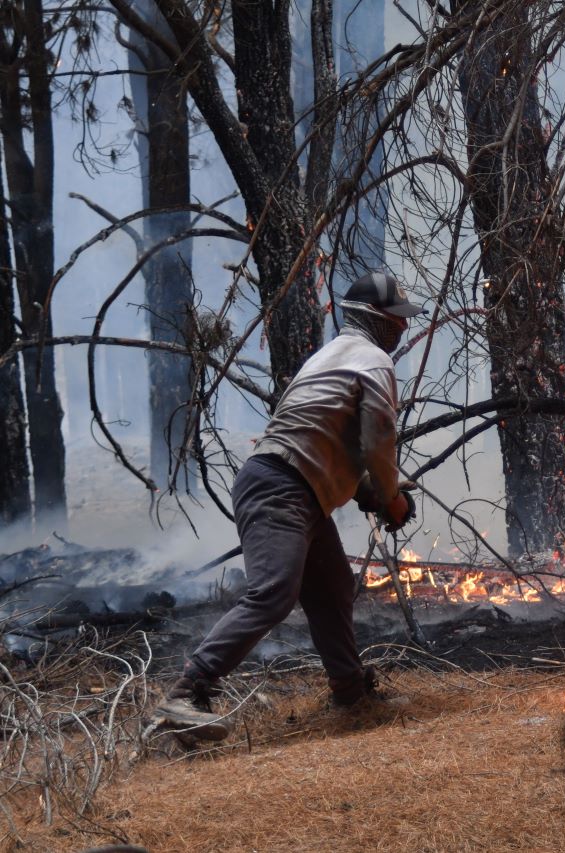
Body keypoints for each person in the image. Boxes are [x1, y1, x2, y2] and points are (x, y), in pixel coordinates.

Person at [154, 272, 424, 741]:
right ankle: (185, 692)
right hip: (283, 488)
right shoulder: (374, 360)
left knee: (332, 589)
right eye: (396, 319)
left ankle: (351, 694)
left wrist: (366, 490)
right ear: (374, 318)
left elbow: (322, 440)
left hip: (291, 486)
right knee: (273, 593)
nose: (403, 327)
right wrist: (391, 498)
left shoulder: (328, 357)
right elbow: (379, 440)